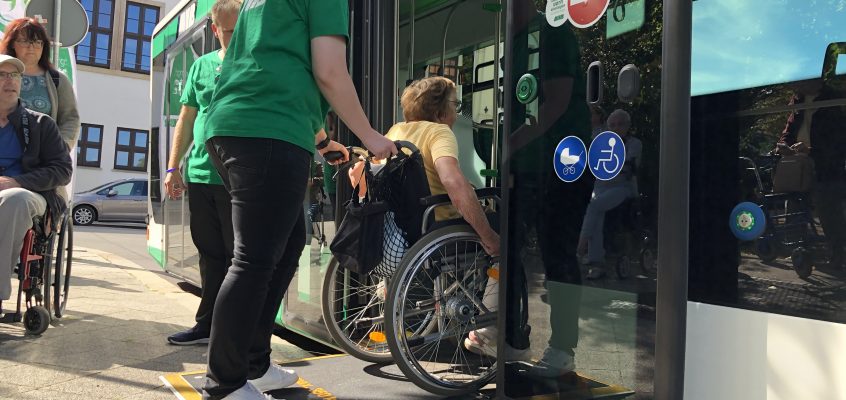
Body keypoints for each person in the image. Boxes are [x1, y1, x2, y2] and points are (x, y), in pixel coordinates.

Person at [199, 1, 397, 398]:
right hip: (266, 131)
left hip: (236, 127)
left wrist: (322, 141)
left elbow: (276, 69)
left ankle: (253, 362)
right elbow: (328, 70)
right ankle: (224, 382)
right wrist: (370, 135)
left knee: (288, 247)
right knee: (254, 260)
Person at [163, 0, 241, 346]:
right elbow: (186, 117)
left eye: (241, 30)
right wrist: (172, 166)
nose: (234, 37)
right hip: (199, 174)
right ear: (214, 30)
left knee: (237, 257)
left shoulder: (256, 65)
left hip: (237, 177)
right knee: (210, 255)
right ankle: (206, 325)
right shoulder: (201, 67)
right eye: (227, 32)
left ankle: (233, 330)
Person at [0, 54, 72, 303]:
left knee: (14, 199)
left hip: (30, 196)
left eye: (15, 75)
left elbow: (63, 170)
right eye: (2, 75)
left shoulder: (42, 124)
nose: (10, 81)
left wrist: (18, 182)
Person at [578, 109, 642, 279]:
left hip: (622, 188)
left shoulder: (634, 144)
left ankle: (581, 247)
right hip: (601, 188)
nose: (616, 128)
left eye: (620, 124)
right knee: (596, 213)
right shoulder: (602, 142)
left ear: (628, 126)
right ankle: (596, 263)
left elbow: (628, 167)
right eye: (612, 125)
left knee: (595, 205)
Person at [1, 18, 80, 150]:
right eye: (25, 41)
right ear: (12, 43)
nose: (31, 47)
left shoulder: (58, 80)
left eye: (37, 42)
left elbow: (70, 119)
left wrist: (59, 149)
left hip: (41, 160)